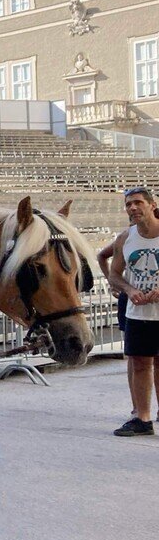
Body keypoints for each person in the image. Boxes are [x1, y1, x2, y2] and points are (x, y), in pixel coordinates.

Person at [108, 187, 159, 437]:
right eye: (128, 204)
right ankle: (142, 417)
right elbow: (114, 273)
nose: (132, 208)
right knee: (140, 364)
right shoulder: (125, 238)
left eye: (138, 203)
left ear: (152, 204)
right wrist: (129, 289)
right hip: (138, 313)